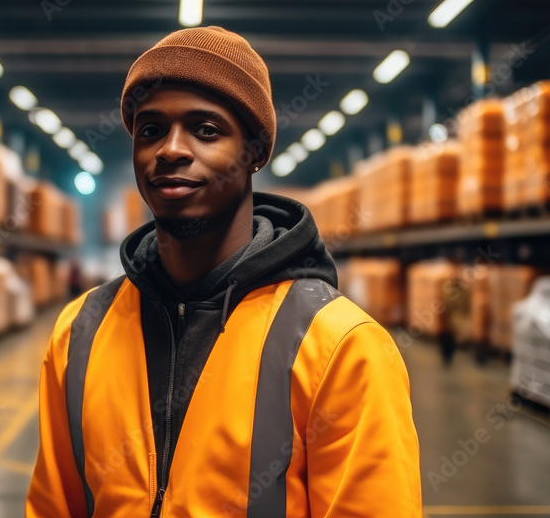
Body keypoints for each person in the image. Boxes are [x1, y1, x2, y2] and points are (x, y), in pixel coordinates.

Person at [26, 26, 421, 517]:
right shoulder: (79, 335)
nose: (170, 148)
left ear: (255, 153)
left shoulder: (340, 348)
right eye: (150, 130)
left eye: (205, 129)